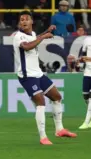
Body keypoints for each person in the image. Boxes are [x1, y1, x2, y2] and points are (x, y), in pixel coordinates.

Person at [13, 11, 77, 145]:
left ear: (31, 22)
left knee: (57, 97)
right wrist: (43, 37)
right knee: (41, 102)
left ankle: (59, 129)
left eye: (26, 19)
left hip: (38, 73)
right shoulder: (18, 36)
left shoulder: (33, 34)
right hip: (27, 76)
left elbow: (33, 39)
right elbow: (27, 46)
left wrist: (45, 32)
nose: (23, 21)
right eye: (21, 20)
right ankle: (43, 137)